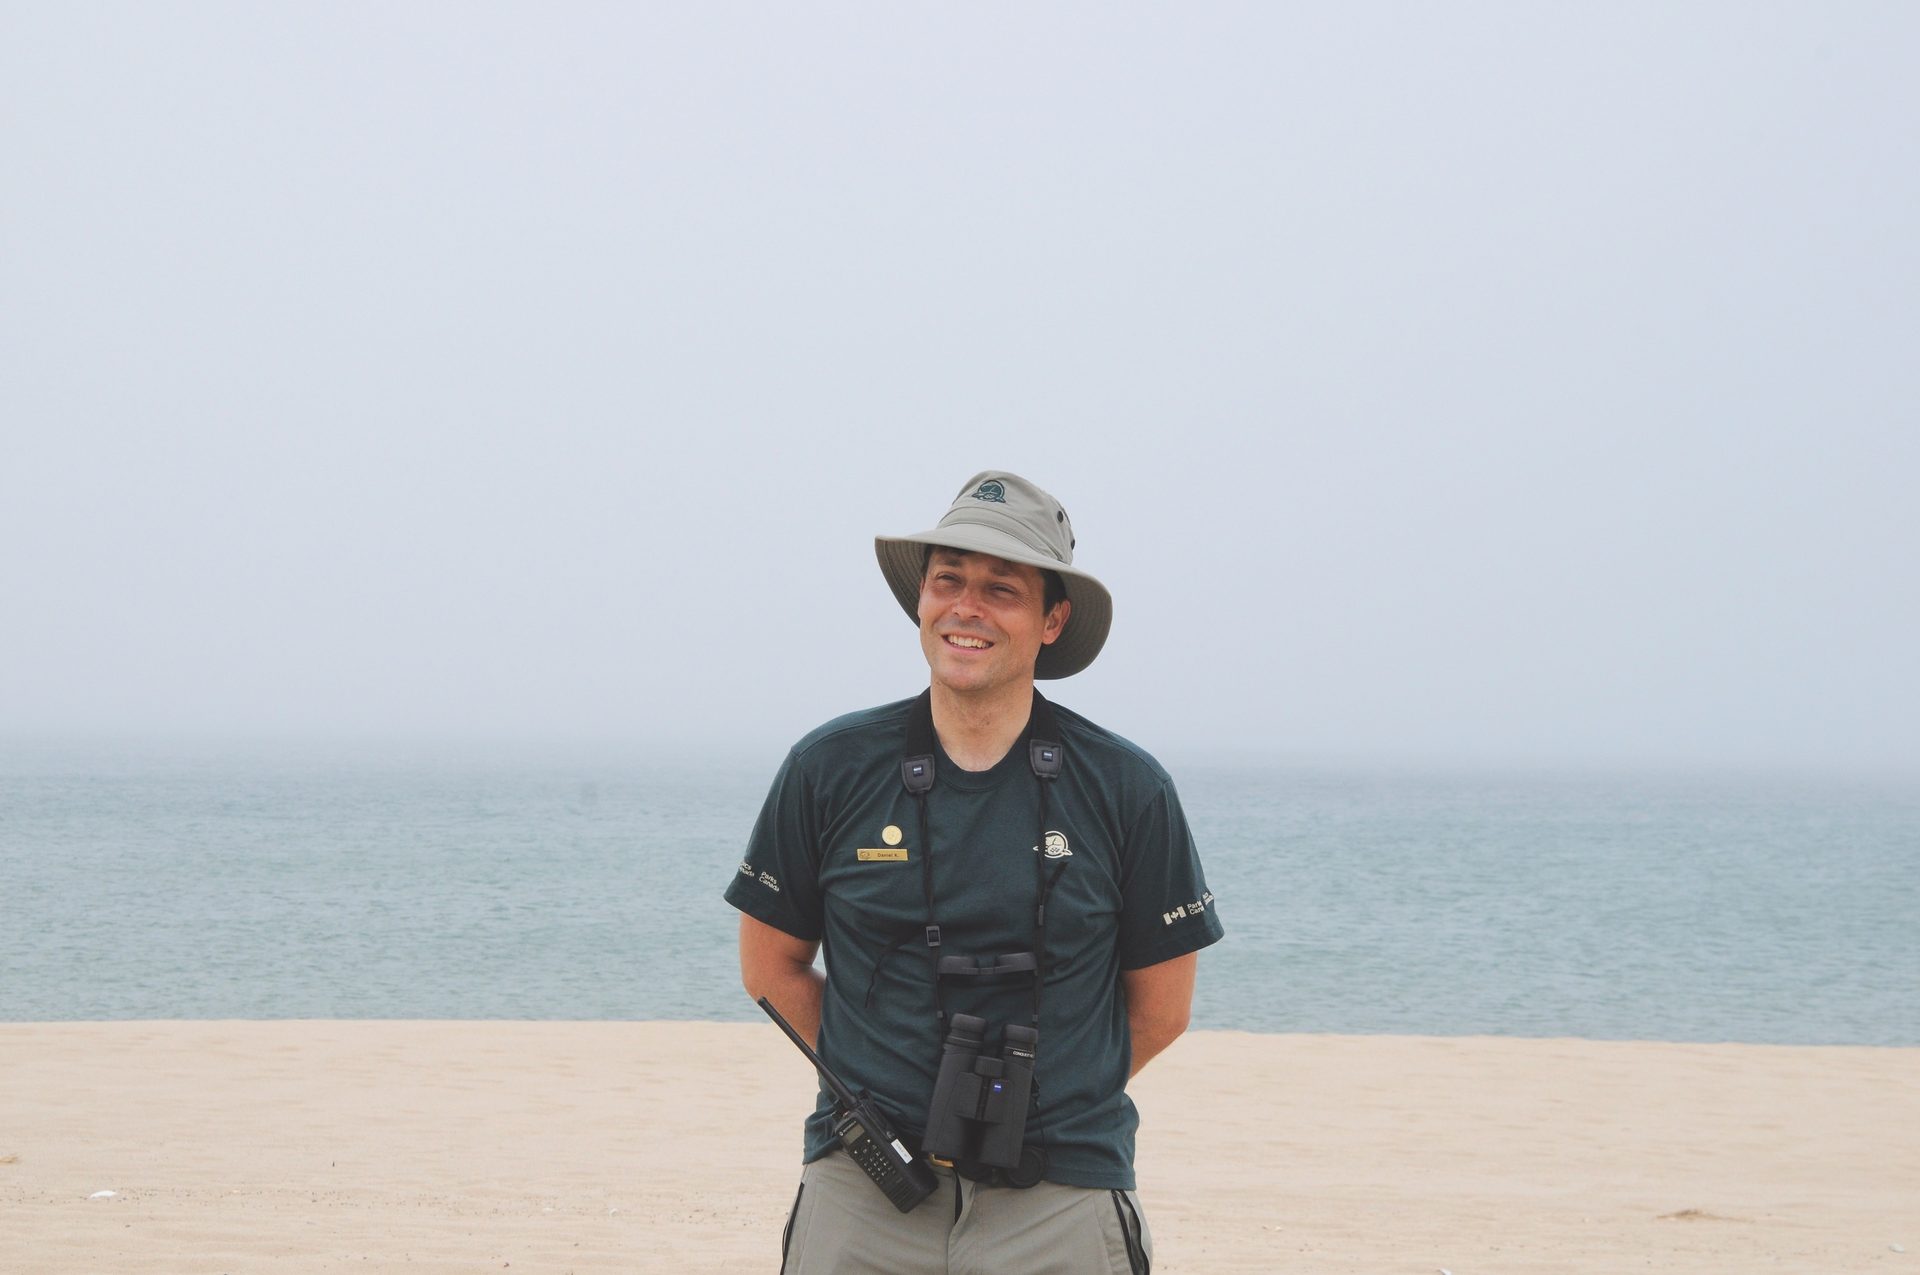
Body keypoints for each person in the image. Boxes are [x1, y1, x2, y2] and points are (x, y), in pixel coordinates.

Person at [724, 470, 1222, 1275]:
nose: (967, 606)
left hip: (1061, 1189)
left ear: (1053, 619)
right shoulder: (829, 769)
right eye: (948, 580)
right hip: (868, 1186)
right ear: (920, 601)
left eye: (1002, 588)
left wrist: (1039, 1094)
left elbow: (1162, 1011)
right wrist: (876, 1082)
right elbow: (769, 967)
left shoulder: (1128, 789)